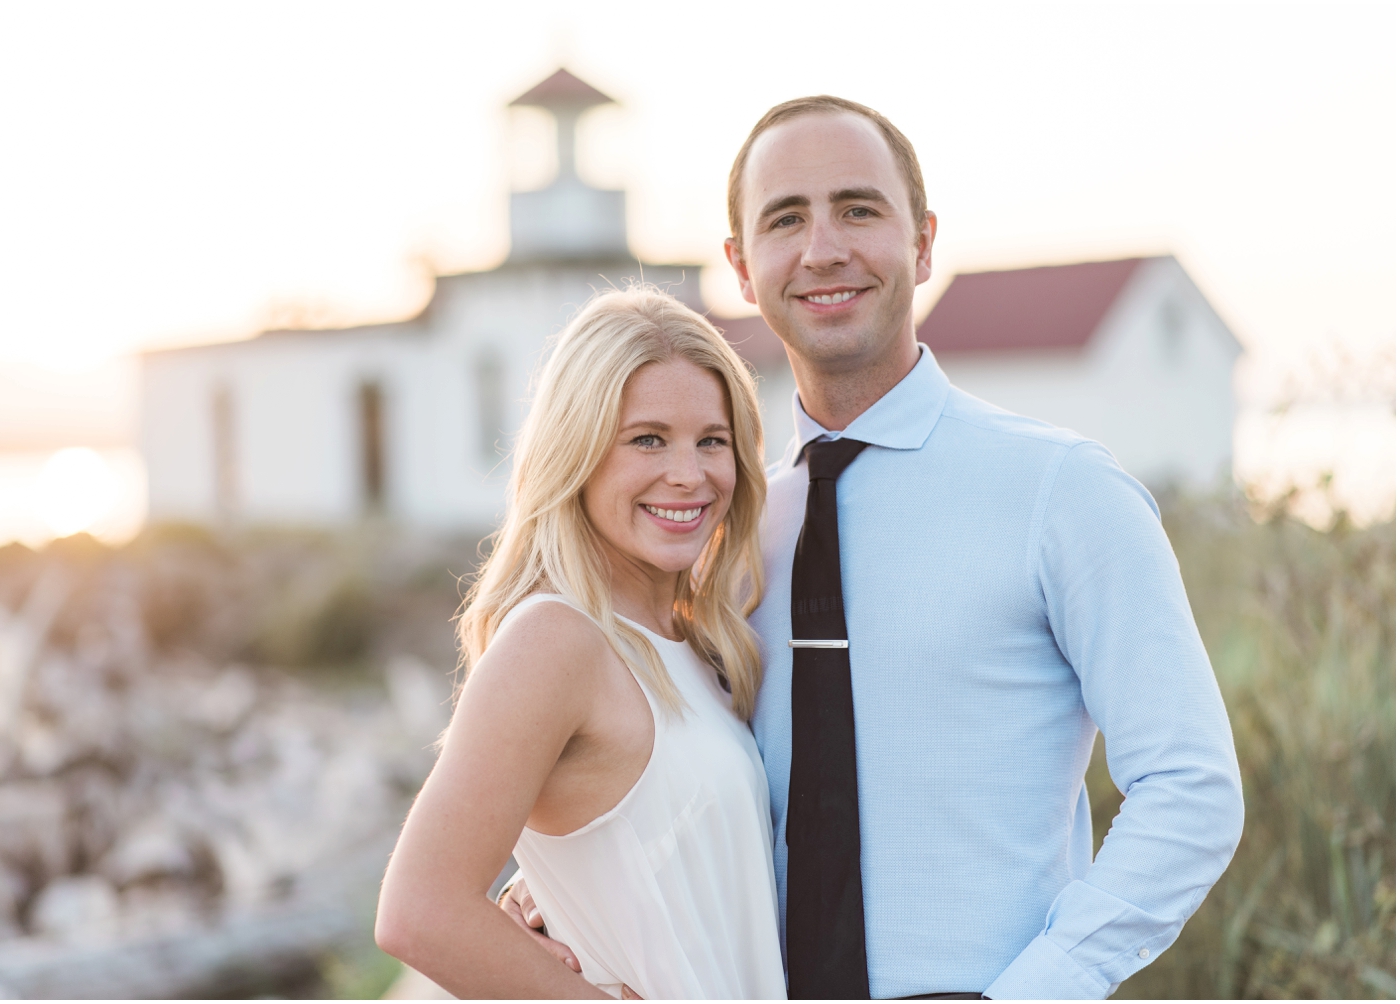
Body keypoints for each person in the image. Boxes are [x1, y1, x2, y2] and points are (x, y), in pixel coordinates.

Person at [505, 96, 1245, 999]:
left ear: (924, 242)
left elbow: (1192, 787)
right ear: (741, 266)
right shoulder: (719, 535)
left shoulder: (1063, 493)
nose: (824, 249)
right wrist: (559, 884)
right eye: (787, 219)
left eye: (858, 209)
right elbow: (684, 780)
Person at [374, 287, 788, 999]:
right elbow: (419, 910)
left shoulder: (698, 640)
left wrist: (560, 887)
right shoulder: (555, 638)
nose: (689, 474)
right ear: (579, 450)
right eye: (647, 439)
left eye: (711, 440)